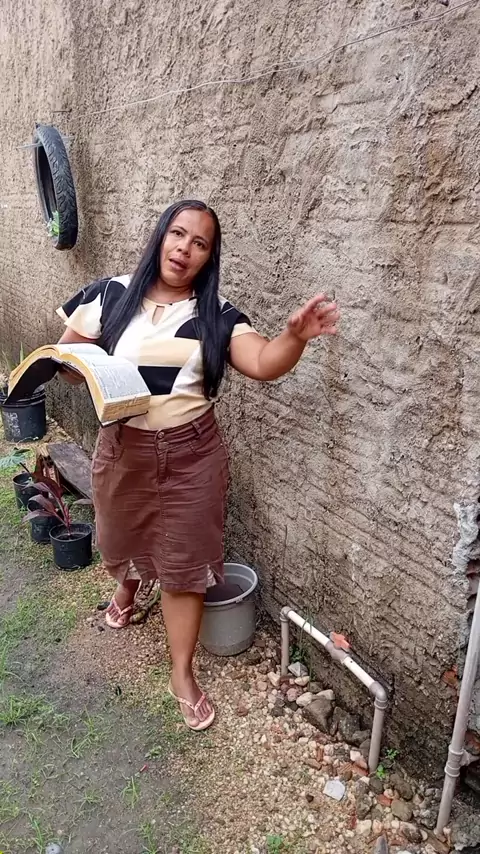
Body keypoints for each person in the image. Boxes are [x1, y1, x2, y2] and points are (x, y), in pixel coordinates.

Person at [56, 199, 339, 732]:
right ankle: (128, 586)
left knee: (184, 566)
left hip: (191, 455)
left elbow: (262, 362)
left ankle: (182, 673)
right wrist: (73, 361)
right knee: (121, 535)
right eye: (178, 234)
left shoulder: (218, 315)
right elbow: (68, 364)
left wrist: (295, 337)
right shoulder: (109, 295)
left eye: (200, 243)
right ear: (161, 236)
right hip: (123, 448)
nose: (185, 248)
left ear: (209, 257)